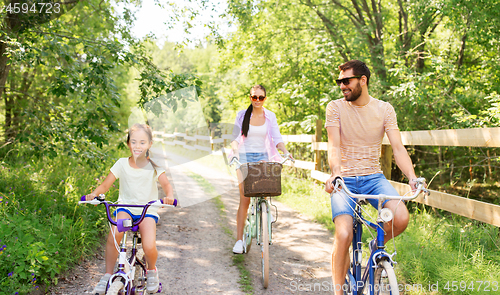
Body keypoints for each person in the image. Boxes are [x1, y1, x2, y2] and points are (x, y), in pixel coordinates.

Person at [323, 60, 425, 294]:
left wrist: (412, 177)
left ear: (363, 80)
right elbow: (334, 146)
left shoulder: (384, 109)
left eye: (346, 81)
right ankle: (339, 291)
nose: (342, 86)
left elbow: (398, 148)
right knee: (344, 234)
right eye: (339, 82)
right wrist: (336, 173)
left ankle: (376, 246)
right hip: (344, 179)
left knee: (401, 218)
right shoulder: (335, 107)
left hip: (373, 177)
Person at [86, 123, 175, 294]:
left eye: (142, 142)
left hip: (146, 210)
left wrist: (169, 196)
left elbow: (166, 185)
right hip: (125, 207)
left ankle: (151, 271)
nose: (137, 146)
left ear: (149, 144)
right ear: (128, 144)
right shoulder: (121, 164)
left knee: (149, 245)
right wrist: (94, 195)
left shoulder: (154, 166)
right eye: (133, 142)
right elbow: (105, 185)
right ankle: (106, 276)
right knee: (114, 236)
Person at [230, 84, 291, 254]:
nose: (257, 100)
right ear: (250, 97)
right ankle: (239, 241)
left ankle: (264, 216)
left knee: (265, 190)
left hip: (263, 156)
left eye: (261, 97)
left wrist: (285, 151)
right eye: (254, 97)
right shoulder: (242, 115)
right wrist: (235, 152)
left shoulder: (270, 116)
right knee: (245, 198)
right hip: (244, 157)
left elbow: (277, 138)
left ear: (265, 98)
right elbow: (235, 137)